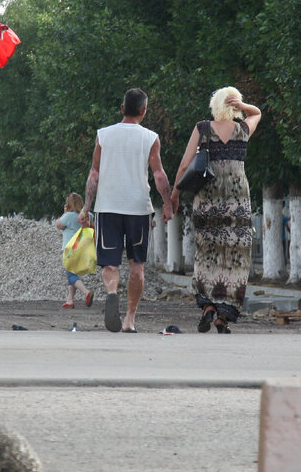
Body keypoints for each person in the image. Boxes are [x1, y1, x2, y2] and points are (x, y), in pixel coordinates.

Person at [79, 88, 175, 333]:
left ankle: (112, 292)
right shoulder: (151, 137)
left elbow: (94, 174)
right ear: (143, 111)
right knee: (136, 266)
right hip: (138, 209)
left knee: (110, 264)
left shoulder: (104, 135)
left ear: (122, 109)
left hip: (108, 207)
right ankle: (130, 319)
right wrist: (166, 203)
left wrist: (86, 208)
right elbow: (159, 174)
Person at [169, 87, 262, 334]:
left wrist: (175, 194)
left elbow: (184, 165)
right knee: (236, 258)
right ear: (234, 105)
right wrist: (243, 107)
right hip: (237, 202)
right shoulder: (243, 130)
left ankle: (208, 305)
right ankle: (223, 316)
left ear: (215, 105)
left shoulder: (202, 129)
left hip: (207, 201)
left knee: (207, 253)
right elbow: (258, 113)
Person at [54, 192, 94, 309]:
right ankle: (70, 300)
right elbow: (92, 226)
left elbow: (58, 225)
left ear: (69, 203)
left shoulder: (69, 216)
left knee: (71, 275)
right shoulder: (88, 215)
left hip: (70, 249)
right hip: (83, 249)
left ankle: (86, 293)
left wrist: (64, 213)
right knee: (73, 273)